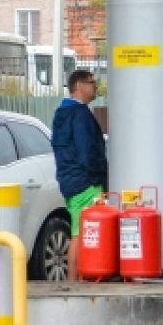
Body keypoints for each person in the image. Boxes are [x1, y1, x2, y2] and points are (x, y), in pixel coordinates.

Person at [51, 69, 108, 280]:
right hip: (86, 183)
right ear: (79, 86)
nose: (95, 86)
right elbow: (87, 151)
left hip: (70, 180)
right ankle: (75, 281)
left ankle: (75, 280)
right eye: (91, 82)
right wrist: (97, 178)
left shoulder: (62, 113)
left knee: (79, 231)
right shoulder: (80, 114)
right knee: (82, 234)